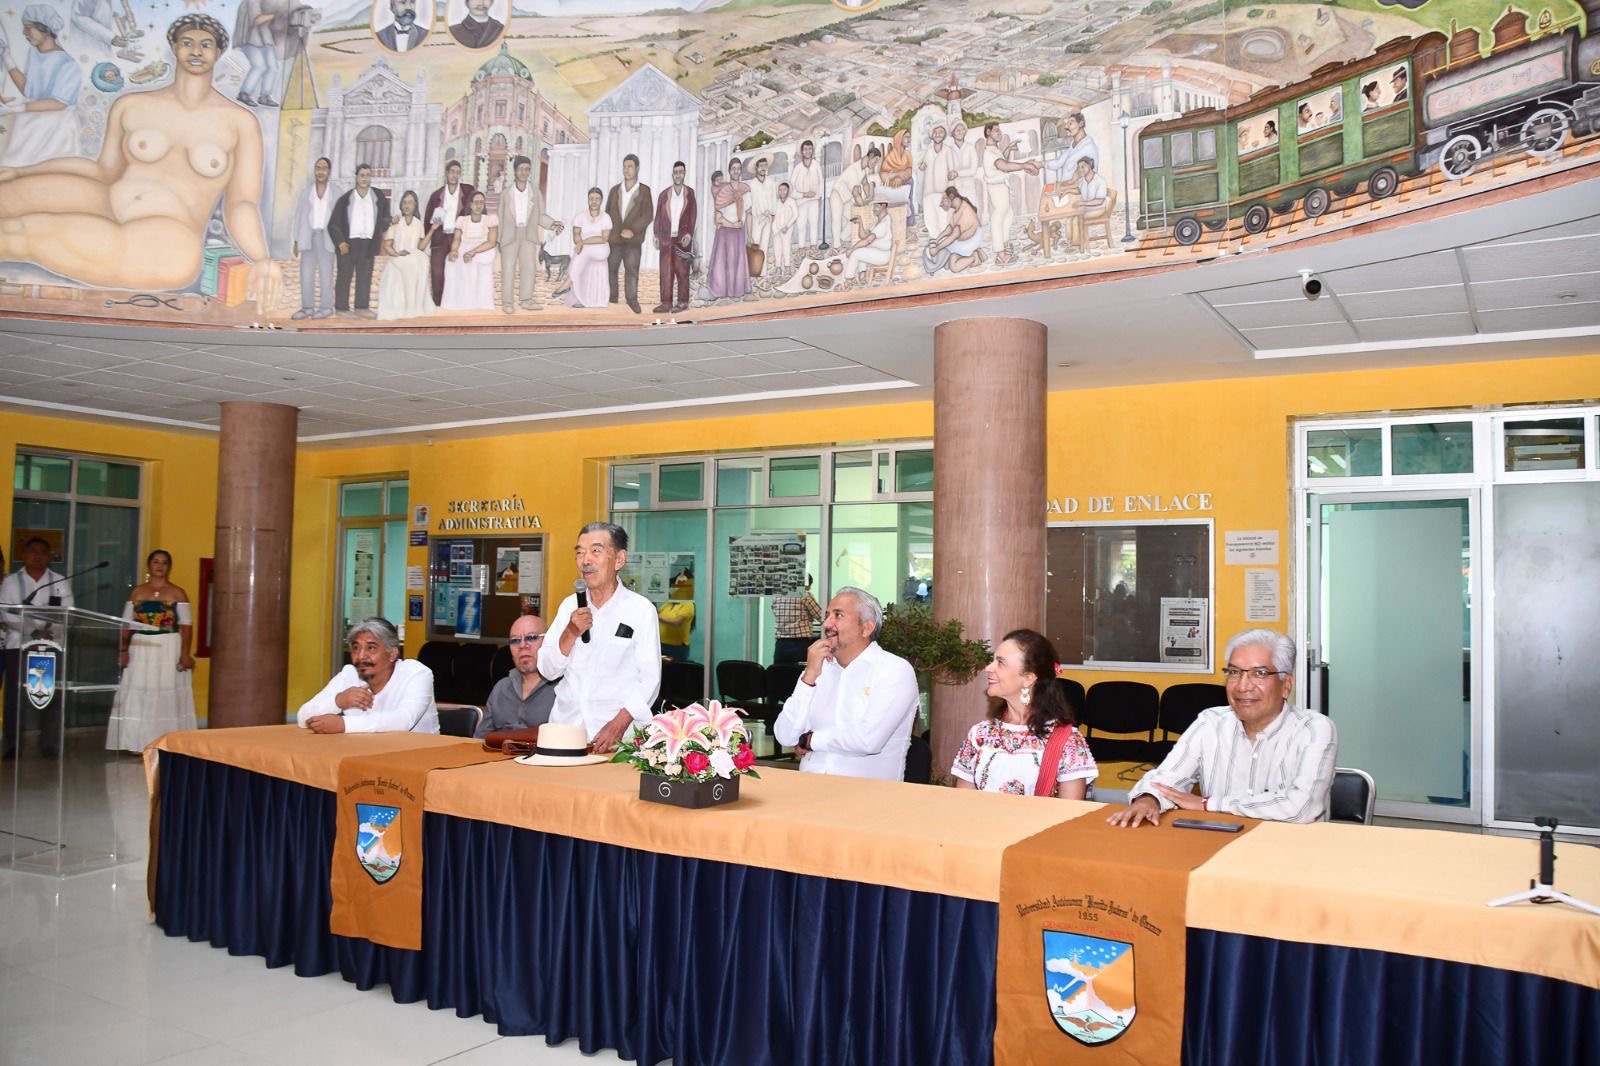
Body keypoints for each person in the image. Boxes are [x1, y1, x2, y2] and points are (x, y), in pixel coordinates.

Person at [0, 14, 284, 306]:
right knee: (7, 195)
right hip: (107, 199)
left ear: (218, 52)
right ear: (174, 48)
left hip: (166, 237)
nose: (196, 51)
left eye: (206, 44)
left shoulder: (240, 123)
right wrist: (23, 172)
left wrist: (261, 259)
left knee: (21, 232)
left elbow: (241, 203)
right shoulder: (131, 105)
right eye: (187, 42)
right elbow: (103, 171)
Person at [1107, 629, 1338, 827]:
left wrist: (1208, 804)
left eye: (1259, 673)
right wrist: (1149, 799)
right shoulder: (1210, 722)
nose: (1243, 686)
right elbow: (1167, 777)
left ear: (1286, 685)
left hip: (1291, 849)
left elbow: (1300, 807)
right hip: (1219, 842)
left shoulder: (1314, 729)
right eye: (1234, 672)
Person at [537, 522, 661, 751]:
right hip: (567, 731)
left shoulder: (640, 610)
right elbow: (547, 669)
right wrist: (570, 632)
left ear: (619, 559)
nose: (586, 560)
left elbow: (649, 680)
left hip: (619, 739)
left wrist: (618, 725)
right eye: (580, 553)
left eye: (595, 551)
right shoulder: (569, 606)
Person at [772, 587, 918, 780]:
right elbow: (785, 735)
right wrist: (809, 677)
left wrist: (810, 740)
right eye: (827, 615)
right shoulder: (818, 670)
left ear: (866, 628)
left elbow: (868, 740)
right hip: (810, 786)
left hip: (868, 792)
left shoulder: (894, 670)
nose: (826, 624)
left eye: (838, 615)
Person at [952, 629, 1095, 798]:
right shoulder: (979, 734)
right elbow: (964, 802)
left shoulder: (1068, 741)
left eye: (1000, 663)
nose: (989, 668)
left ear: (1028, 678)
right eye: (993, 661)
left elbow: (1069, 810)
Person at [105, 549, 196, 752]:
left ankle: (167, 744)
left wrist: (184, 653)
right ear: (149, 565)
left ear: (169, 567)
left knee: (165, 691)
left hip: (168, 646)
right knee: (139, 691)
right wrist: (123, 649)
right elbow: (125, 624)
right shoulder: (137, 592)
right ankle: (136, 742)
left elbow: (187, 626)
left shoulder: (178, 592)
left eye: (164, 562)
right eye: (156, 561)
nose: (160, 566)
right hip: (141, 647)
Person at [1, 536, 74, 759]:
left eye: (43, 552)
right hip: (18, 646)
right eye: (33, 551)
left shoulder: (59, 581)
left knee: (50, 695)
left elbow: (68, 612)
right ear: (24, 555)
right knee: (15, 697)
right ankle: (13, 745)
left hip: (51, 646)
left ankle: (49, 744)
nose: (38, 556)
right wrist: (33, 632)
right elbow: (6, 613)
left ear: (49, 557)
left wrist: (51, 632)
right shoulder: (11, 582)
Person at [298, 617, 438, 733]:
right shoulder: (349, 674)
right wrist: (338, 701)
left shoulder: (416, 673)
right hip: (367, 752)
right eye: (356, 648)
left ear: (392, 654)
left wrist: (344, 724)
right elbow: (303, 717)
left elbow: (404, 720)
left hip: (421, 754)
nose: (361, 656)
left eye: (371, 648)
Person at [0, 7, 80, 168]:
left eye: (28, 27)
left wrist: (19, 108)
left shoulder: (68, 64)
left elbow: (59, 103)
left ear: (46, 29)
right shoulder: (33, 54)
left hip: (54, 127)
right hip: (31, 121)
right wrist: (7, 58)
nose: (24, 32)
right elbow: (29, 90)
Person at [497, 155, 561, 314]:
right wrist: (499, 239)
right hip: (509, 235)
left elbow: (540, 216)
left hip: (528, 234)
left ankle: (526, 300)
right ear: (515, 171)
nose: (523, 172)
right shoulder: (506, 194)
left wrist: (553, 224)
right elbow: (501, 218)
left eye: (527, 169)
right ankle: (507, 302)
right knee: (508, 268)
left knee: (529, 267)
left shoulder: (535, 193)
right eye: (520, 169)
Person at [475, 614, 557, 738]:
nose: (523, 645)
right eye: (515, 640)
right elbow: (480, 739)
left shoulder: (563, 688)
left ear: (549, 641)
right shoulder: (502, 688)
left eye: (531, 637)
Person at [327, 162, 391, 319]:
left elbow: (384, 219)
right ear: (356, 177)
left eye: (368, 175)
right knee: (344, 276)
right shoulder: (345, 199)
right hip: (348, 244)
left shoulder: (378, 197)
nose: (364, 178)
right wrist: (340, 242)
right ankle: (342, 308)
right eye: (362, 175)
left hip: (368, 243)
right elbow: (333, 224)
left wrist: (389, 221)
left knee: (365, 276)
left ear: (371, 178)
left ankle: (361, 307)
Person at [980, 123, 1040, 265]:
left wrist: (1007, 148)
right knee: (999, 217)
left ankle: (1005, 245)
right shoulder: (990, 153)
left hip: (1001, 186)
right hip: (997, 187)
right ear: (988, 132)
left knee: (1008, 215)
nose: (1000, 133)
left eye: (1000, 130)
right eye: (996, 131)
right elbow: (1004, 166)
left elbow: (1002, 161)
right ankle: (1000, 254)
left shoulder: (994, 150)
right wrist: (1024, 165)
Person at [290, 156, 340, 321]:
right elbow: (299, 216)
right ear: (314, 171)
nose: (320, 171)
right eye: (318, 168)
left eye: (324, 168)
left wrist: (341, 241)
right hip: (308, 237)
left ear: (329, 171)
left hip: (327, 238)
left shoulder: (336, 192)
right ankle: (307, 308)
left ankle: (326, 308)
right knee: (306, 273)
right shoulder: (306, 193)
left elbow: (342, 219)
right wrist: (296, 241)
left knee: (326, 274)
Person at [605, 153, 652, 314]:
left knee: (632, 270)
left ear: (637, 168)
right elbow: (607, 213)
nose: (627, 170)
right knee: (611, 268)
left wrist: (633, 230)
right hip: (614, 239)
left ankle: (632, 300)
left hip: (633, 240)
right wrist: (608, 233)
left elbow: (647, 215)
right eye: (625, 167)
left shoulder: (644, 191)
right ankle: (612, 298)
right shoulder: (614, 190)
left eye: (630, 167)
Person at [376, 189, 432, 320]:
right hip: (398, 257)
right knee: (410, 264)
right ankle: (406, 308)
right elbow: (387, 246)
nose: (407, 206)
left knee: (421, 262)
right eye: (405, 203)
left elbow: (421, 247)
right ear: (401, 205)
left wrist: (433, 230)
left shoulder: (418, 224)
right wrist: (396, 253)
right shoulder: (396, 223)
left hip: (414, 257)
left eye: (410, 203)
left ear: (415, 205)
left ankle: (414, 306)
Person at [424, 161, 475, 306]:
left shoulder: (468, 192)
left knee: (459, 272)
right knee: (437, 272)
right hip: (440, 238)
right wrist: (430, 237)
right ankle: (438, 303)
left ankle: (458, 302)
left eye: (457, 172)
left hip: (459, 238)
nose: (454, 175)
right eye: (452, 172)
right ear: (446, 173)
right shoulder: (436, 196)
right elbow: (427, 220)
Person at [440, 189, 497, 311]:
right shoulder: (462, 220)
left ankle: (475, 302)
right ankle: (456, 301)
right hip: (464, 246)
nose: (478, 205)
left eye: (481, 202)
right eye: (476, 202)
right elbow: (457, 239)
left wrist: (473, 252)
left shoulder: (490, 220)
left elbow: (491, 242)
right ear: (470, 205)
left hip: (482, 249)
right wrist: (454, 250)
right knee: (451, 261)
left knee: (471, 262)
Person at [652, 159, 696, 314]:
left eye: (681, 172)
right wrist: (656, 235)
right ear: (672, 175)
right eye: (676, 172)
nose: (678, 175)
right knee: (666, 271)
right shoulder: (664, 195)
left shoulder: (689, 193)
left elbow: (692, 216)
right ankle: (666, 303)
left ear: (684, 174)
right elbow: (658, 216)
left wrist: (689, 234)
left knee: (682, 271)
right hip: (666, 238)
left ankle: (683, 302)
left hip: (682, 239)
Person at [556, 186, 611, 308]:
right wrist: (579, 242)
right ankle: (581, 298)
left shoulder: (606, 217)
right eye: (591, 198)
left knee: (583, 251)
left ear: (601, 200)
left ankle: (567, 283)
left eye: (597, 199)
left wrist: (582, 242)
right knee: (582, 252)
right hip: (585, 249)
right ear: (588, 199)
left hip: (601, 249)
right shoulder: (580, 216)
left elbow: (604, 238)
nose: (594, 201)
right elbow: (576, 235)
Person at [232, 0, 288, 108]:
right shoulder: (252, 1)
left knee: (273, 68)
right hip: (252, 39)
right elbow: (256, 20)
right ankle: (244, 93)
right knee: (259, 66)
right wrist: (276, 15)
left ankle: (265, 96)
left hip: (266, 39)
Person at [705, 169, 750, 300]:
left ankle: (736, 288)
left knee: (735, 259)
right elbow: (718, 213)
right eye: (717, 180)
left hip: (736, 229)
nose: (720, 182)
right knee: (722, 259)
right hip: (725, 229)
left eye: (721, 179)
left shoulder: (728, 188)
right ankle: (721, 288)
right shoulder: (717, 191)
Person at [923, 186, 984, 275]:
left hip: (971, 239)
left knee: (954, 267)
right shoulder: (958, 207)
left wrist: (937, 248)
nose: (941, 204)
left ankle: (974, 257)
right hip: (962, 239)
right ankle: (975, 254)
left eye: (944, 199)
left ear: (951, 196)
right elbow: (949, 228)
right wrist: (937, 240)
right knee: (948, 262)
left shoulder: (965, 211)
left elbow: (953, 236)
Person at [771, 573, 821, 664]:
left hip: (780, 644)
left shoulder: (777, 596)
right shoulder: (805, 596)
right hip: (800, 644)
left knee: (780, 671)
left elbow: (775, 612)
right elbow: (820, 615)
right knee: (799, 672)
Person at [841, 200, 894, 283]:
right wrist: (860, 223)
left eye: (876, 206)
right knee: (861, 249)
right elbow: (864, 236)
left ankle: (848, 279)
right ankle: (862, 277)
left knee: (855, 253)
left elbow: (868, 240)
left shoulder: (884, 223)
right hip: (879, 252)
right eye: (873, 206)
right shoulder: (878, 221)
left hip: (882, 255)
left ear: (883, 206)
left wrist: (852, 249)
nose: (873, 209)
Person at [789, 139, 823, 248]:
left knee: (814, 224)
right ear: (802, 151)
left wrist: (819, 197)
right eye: (805, 149)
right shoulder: (797, 168)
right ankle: (801, 248)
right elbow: (791, 189)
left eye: (810, 149)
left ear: (812, 150)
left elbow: (821, 183)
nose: (808, 151)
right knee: (801, 226)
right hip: (801, 202)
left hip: (814, 201)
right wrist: (803, 195)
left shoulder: (816, 165)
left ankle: (813, 247)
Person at [769, 181, 797, 273]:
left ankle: (787, 266)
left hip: (787, 229)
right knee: (777, 247)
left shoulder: (791, 201)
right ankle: (778, 267)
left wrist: (787, 226)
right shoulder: (776, 202)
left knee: (786, 246)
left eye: (784, 190)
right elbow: (772, 215)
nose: (782, 192)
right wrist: (773, 227)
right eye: (780, 190)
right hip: (777, 228)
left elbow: (795, 215)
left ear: (788, 190)